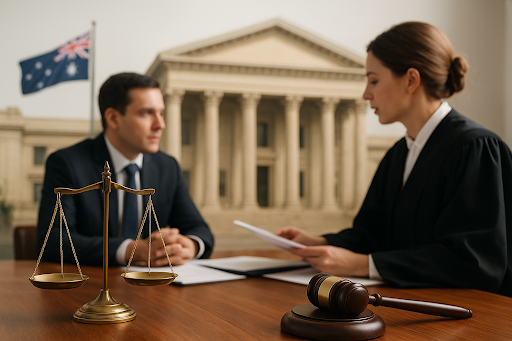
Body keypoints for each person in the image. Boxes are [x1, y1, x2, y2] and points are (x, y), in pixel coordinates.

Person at [276, 22, 512, 297]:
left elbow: (473, 263)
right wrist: (319, 242)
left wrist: (364, 264)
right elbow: (372, 234)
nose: (366, 94)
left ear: (411, 80)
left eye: (374, 80)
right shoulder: (398, 154)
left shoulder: (476, 148)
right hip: (410, 307)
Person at [37, 72, 214, 266]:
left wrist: (190, 245)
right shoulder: (67, 163)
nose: (160, 125)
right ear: (113, 118)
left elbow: (199, 229)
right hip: (89, 288)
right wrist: (132, 250)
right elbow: (53, 242)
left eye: (161, 113)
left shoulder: (167, 166)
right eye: (147, 113)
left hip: (151, 289)